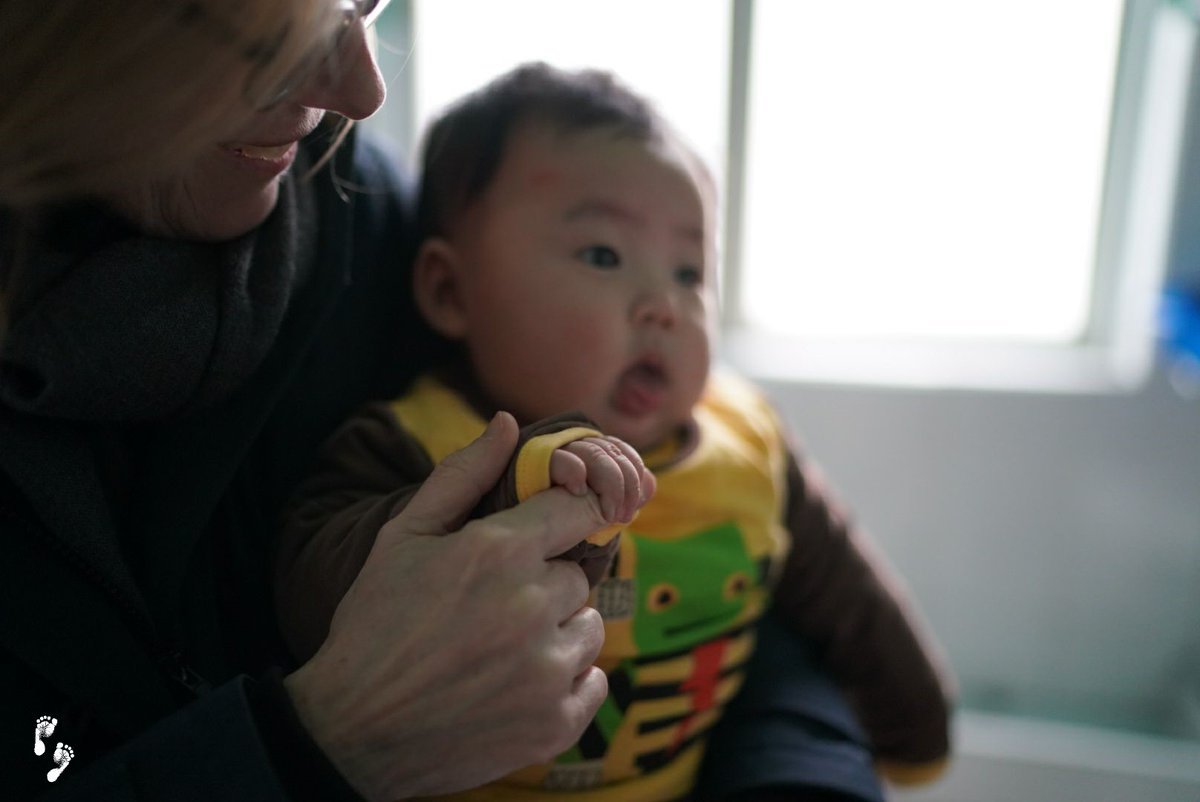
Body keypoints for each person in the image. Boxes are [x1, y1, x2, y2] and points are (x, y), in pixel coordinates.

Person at [0, 2, 634, 799]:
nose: (363, 92)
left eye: (361, 7)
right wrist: (326, 745)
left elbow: (741, 553)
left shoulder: (365, 207)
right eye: (276, 39)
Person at [274, 63, 956, 801]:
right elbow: (308, 590)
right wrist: (510, 493)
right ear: (450, 289)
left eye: (690, 272)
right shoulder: (423, 440)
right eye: (603, 255)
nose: (664, 305)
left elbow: (846, 594)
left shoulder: (747, 438)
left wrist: (915, 723)